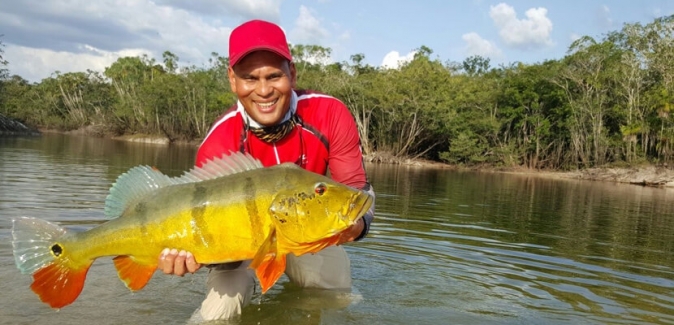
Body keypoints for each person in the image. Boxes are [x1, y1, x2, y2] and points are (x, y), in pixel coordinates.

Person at [156, 19, 375, 321]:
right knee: (218, 314)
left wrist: (358, 225)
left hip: (308, 235)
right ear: (232, 79)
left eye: (274, 76)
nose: (264, 90)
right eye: (249, 78)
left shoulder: (329, 113)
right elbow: (208, 235)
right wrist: (189, 255)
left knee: (336, 297)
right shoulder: (219, 142)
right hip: (240, 248)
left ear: (292, 73)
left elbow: (359, 194)